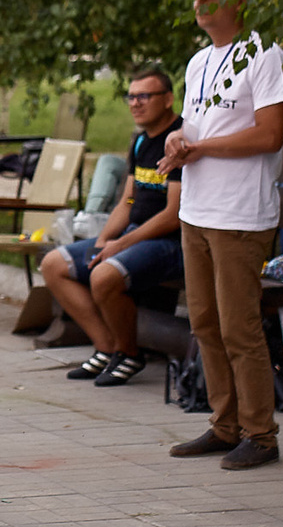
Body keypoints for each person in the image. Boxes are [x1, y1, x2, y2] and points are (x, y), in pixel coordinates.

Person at [162, 0, 283, 472]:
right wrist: (177, 140)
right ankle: (225, 425)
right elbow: (193, 128)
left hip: (240, 213)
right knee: (204, 322)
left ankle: (261, 434)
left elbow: (270, 134)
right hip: (196, 210)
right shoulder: (198, 61)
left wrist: (202, 147)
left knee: (239, 327)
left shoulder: (265, 53)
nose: (201, 2)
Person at [43, 66, 184, 387]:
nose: (135, 103)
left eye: (144, 96)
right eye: (130, 97)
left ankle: (129, 353)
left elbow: (173, 214)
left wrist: (120, 245)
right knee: (54, 264)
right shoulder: (141, 142)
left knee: (104, 275)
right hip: (135, 236)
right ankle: (106, 348)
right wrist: (104, 239)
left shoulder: (178, 140)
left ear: (168, 99)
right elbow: (128, 202)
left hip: (171, 243)